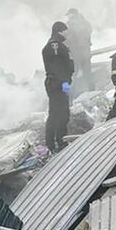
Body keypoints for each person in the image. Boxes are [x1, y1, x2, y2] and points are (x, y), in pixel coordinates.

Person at [42, 21, 74, 152]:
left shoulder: (60, 44)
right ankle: (58, 142)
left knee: (60, 113)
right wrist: (64, 81)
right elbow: (56, 67)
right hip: (56, 84)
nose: (67, 33)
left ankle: (58, 141)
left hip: (60, 83)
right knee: (58, 114)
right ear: (60, 31)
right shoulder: (54, 45)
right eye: (65, 30)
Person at [66, 8, 94, 92]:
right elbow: (88, 34)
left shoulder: (70, 24)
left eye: (69, 15)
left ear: (72, 14)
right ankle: (92, 91)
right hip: (86, 53)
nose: (68, 17)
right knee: (88, 74)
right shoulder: (86, 23)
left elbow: (68, 38)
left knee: (72, 76)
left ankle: (70, 95)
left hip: (75, 54)